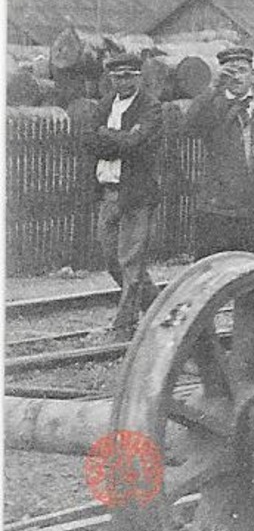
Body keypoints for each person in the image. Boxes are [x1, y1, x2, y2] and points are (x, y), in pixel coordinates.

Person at [79, 53, 162, 339]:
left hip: (137, 195)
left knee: (131, 260)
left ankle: (124, 326)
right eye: (117, 77)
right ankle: (158, 307)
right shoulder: (105, 104)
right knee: (111, 258)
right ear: (110, 78)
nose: (122, 81)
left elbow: (135, 143)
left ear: (139, 77)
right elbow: (88, 139)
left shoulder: (150, 107)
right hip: (108, 193)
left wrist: (107, 136)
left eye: (128, 76)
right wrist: (116, 139)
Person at [180, 46, 254, 258]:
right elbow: (188, 128)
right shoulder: (211, 108)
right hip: (216, 209)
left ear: (253, 75)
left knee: (248, 276)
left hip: (253, 211)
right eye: (230, 72)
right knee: (211, 275)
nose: (237, 77)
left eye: (242, 70)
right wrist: (213, 88)